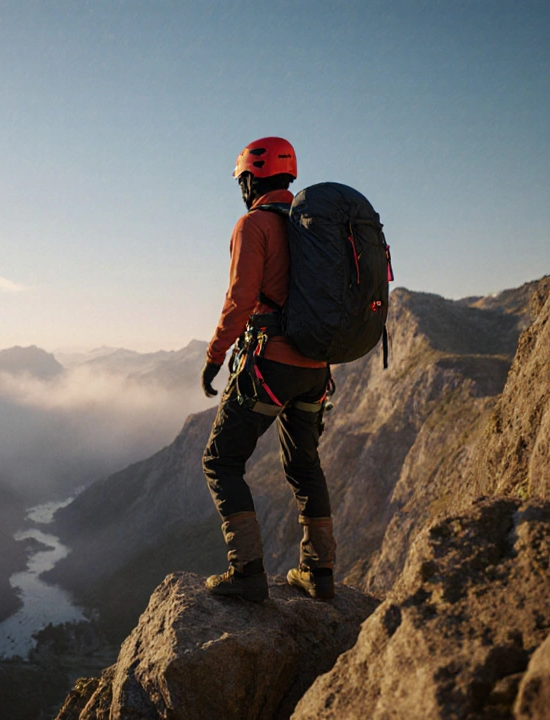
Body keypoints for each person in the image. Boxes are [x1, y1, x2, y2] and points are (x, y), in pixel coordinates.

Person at [199, 136, 336, 602]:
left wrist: (214, 356)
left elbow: (240, 301)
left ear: (252, 178)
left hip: (271, 366)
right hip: (316, 369)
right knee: (303, 464)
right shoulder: (312, 228)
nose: (241, 187)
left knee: (220, 460)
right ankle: (319, 573)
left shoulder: (253, 224)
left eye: (242, 180)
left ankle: (247, 573)